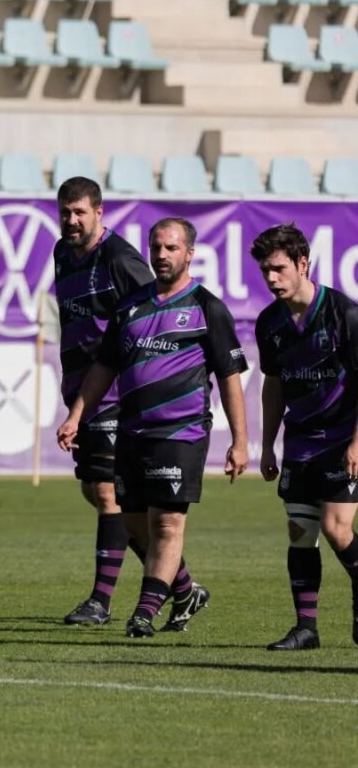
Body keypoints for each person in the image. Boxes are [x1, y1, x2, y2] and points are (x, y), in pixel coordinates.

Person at [57, 217, 249, 638]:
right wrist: (76, 415)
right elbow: (104, 366)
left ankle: (143, 612)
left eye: (171, 248)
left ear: (189, 253)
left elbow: (230, 377)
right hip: (132, 432)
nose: (162, 255)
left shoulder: (207, 308)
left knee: (167, 524)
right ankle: (184, 591)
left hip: (181, 433)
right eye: (156, 247)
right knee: (133, 526)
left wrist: (240, 441)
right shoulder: (130, 307)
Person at [51, 177, 207, 627]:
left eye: (80, 212)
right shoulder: (63, 254)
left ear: (100, 213)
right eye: (66, 212)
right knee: (100, 492)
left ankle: (100, 601)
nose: (72, 220)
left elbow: (153, 310)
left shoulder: (121, 259)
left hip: (119, 390)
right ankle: (183, 587)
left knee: (108, 493)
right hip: (83, 387)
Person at [252, 224, 358, 651]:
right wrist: (266, 444)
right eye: (264, 271)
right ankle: (306, 628)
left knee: (336, 529)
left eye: (278, 268)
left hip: (341, 439)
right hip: (300, 442)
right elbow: (273, 384)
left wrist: (356, 443)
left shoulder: (344, 314)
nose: (271, 278)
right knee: (300, 531)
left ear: (302, 264)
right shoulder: (269, 323)